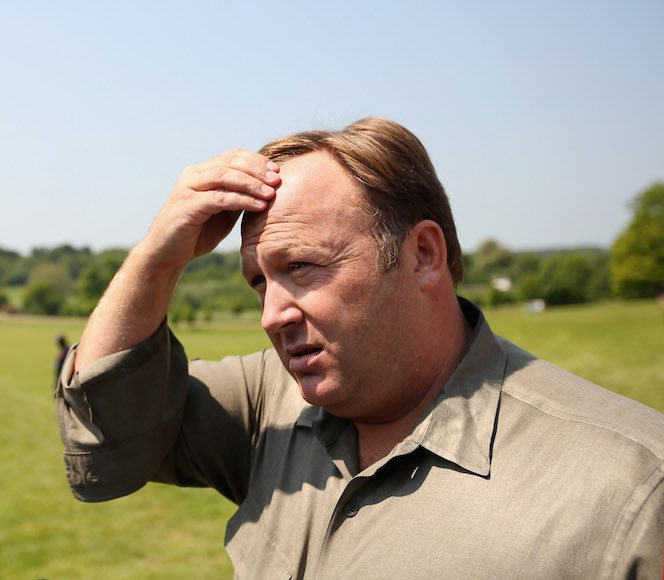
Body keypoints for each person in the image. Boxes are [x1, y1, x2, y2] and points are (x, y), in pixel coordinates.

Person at [55, 118, 664, 578]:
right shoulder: (271, 398)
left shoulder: (630, 492)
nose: (272, 314)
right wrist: (156, 259)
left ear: (422, 254)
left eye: (302, 266)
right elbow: (107, 432)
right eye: (258, 280)